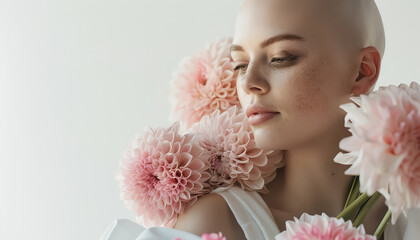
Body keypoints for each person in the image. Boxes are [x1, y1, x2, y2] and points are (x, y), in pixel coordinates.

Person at [101, 0, 419, 239]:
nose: (249, 81)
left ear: (363, 70)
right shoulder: (216, 225)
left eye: (281, 58)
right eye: (240, 63)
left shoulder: (408, 218)